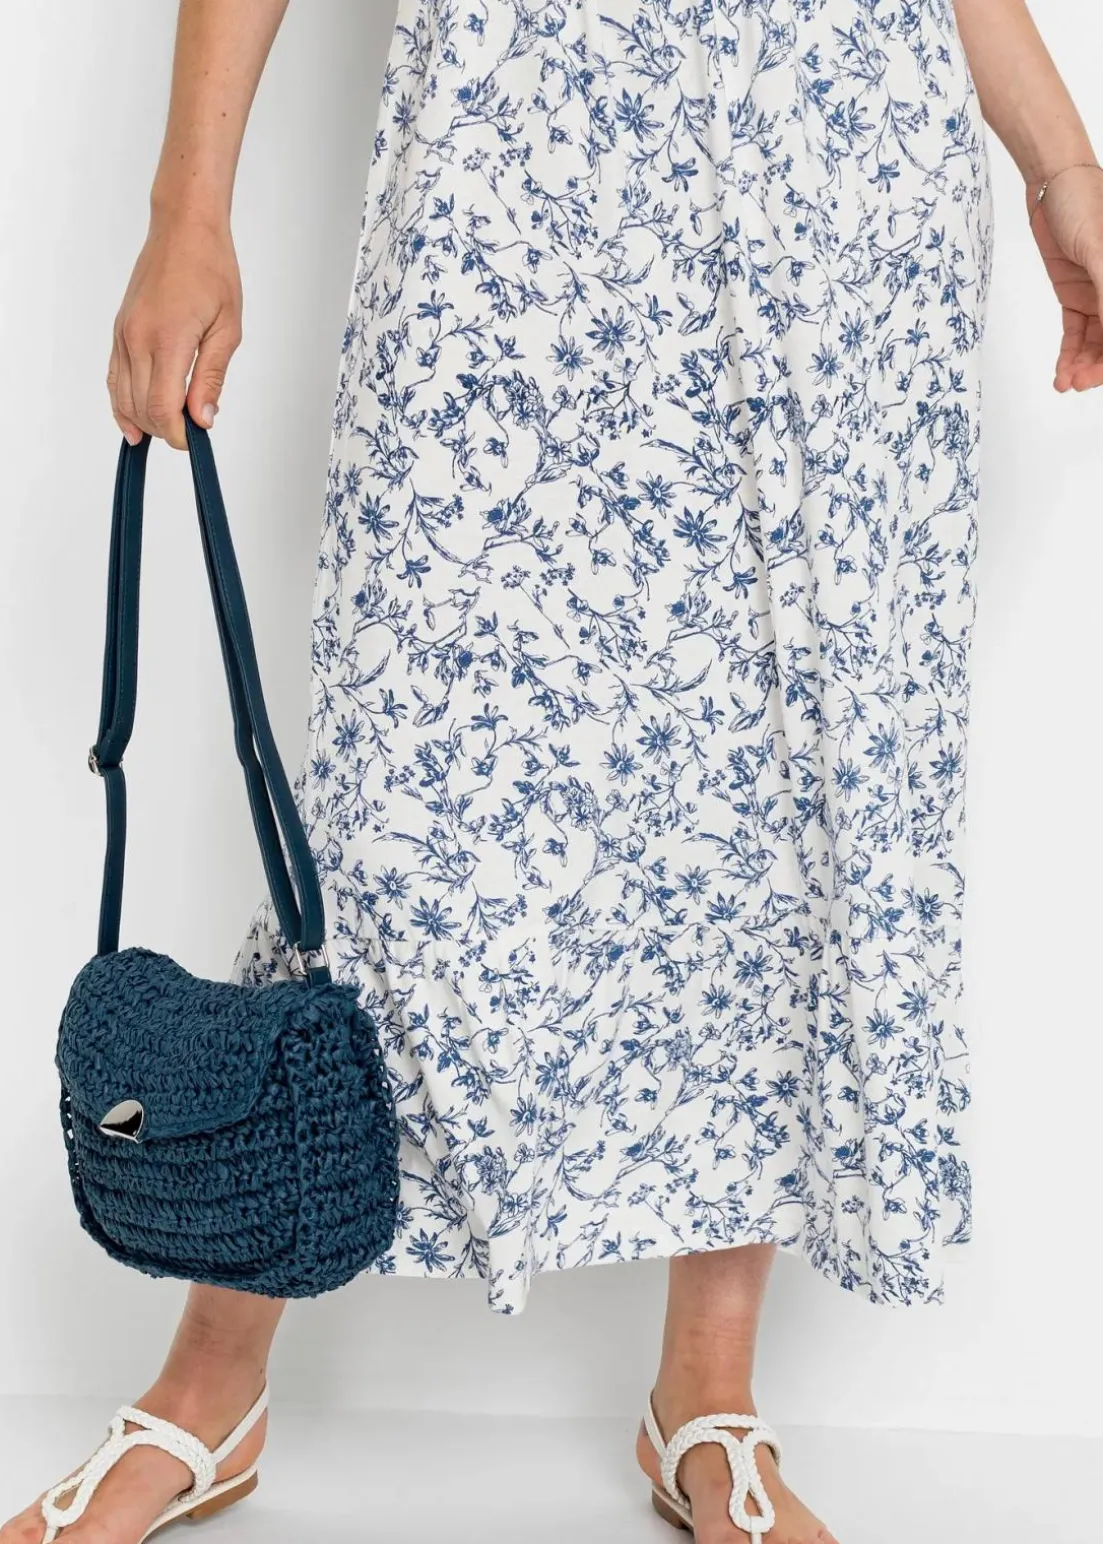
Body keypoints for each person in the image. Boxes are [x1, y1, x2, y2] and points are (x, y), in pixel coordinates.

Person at [9, 2, 1103, 1541]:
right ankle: (212, 1379)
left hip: (842, 180)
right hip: (509, 173)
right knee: (399, 801)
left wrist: (1058, 159)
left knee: (792, 797)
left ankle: (704, 1395)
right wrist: (188, 205)